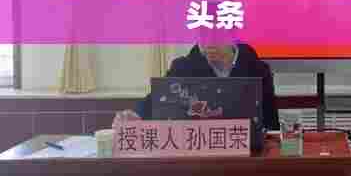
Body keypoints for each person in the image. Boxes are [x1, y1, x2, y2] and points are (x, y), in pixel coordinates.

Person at [113, 43, 280, 130]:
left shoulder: (258, 68)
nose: (210, 42)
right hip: (200, 153)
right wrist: (136, 115)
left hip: (249, 153)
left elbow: (271, 122)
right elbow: (156, 99)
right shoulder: (184, 67)